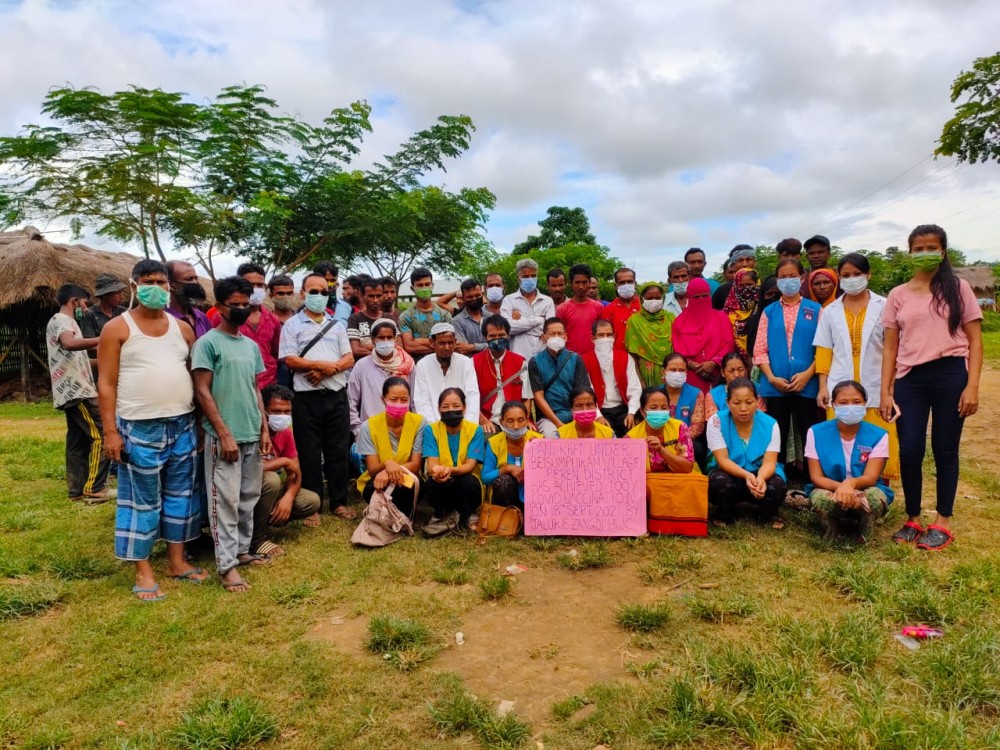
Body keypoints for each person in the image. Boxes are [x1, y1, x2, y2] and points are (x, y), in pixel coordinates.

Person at [100, 259, 207, 600]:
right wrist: (110, 432)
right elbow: (106, 383)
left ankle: (177, 560)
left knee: (180, 496)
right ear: (134, 285)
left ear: (169, 287)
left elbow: (195, 376)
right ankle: (143, 569)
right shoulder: (117, 328)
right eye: (149, 281)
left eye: (162, 282)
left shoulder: (183, 330)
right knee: (140, 501)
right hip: (138, 426)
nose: (156, 288)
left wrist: (202, 425)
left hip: (183, 423)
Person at [880, 224, 983, 551]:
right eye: (919, 248)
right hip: (910, 379)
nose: (925, 253)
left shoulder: (959, 288)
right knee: (910, 450)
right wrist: (886, 391)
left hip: (950, 374)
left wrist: (973, 386)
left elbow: (976, 341)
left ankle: (943, 521)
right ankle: (912, 518)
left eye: (931, 247)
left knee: (945, 447)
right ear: (910, 253)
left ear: (943, 251)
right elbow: (890, 348)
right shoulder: (898, 295)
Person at [192, 276, 272, 593]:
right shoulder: (207, 343)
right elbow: (201, 390)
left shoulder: (251, 346)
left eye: (245, 304)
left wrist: (264, 427)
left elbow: (255, 390)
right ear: (219, 307)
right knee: (223, 501)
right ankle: (226, 566)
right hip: (223, 436)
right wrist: (222, 433)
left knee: (247, 497)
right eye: (234, 304)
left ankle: (241, 550)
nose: (240, 309)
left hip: (251, 432)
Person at [813, 253, 898, 481]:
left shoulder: (885, 306)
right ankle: (840, 484)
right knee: (840, 439)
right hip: (839, 385)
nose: (852, 279)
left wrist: (890, 388)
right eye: (846, 275)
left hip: (876, 383)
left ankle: (879, 486)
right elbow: (824, 350)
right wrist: (823, 387)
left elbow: (894, 348)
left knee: (879, 438)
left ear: (868, 274)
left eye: (857, 274)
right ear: (839, 278)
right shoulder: (830, 311)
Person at [279, 272, 356, 520]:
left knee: (338, 450)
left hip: (336, 395)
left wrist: (326, 369)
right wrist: (324, 366)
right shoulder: (292, 325)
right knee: (309, 451)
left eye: (324, 292)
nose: (320, 296)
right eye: (314, 292)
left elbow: (349, 358)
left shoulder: (337, 325)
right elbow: (289, 359)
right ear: (303, 294)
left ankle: (338, 503)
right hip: (306, 398)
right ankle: (312, 506)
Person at [805, 380, 893, 542]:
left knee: (875, 497)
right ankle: (832, 528)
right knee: (820, 499)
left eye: (857, 402)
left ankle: (864, 527)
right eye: (843, 403)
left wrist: (851, 485)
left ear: (865, 404)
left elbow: (871, 477)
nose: (850, 407)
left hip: (865, 489)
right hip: (830, 490)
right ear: (834, 404)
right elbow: (816, 477)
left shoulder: (879, 435)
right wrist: (842, 489)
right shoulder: (816, 433)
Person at [47, 282, 111, 503]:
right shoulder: (61, 321)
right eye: (85, 303)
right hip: (78, 390)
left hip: (74, 389)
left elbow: (82, 360)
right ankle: (95, 487)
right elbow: (70, 344)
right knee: (102, 434)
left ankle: (75, 490)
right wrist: (105, 339)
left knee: (77, 441)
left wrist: (108, 359)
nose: (86, 308)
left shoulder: (69, 322)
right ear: (75, 301)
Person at [754, 258, 821, 472]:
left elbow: (824, 349)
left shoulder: (816, 309)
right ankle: (777, 476)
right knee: (777, 432)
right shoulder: (769, 312)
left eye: (792, 276)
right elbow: (760, 349)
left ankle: (814, 477)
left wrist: (808, 375)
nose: (788, 280)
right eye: (782, 277)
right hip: (775, 383)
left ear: (801, 278)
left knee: (808, 430)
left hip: (807, 383)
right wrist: (772, 378)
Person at [706, 378, 786, 527]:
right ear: (728, 402)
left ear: (757, 401)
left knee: (777, 486)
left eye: (749, 402)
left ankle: (766, 514)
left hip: (758, 475)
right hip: (730, 474)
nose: (743, 408)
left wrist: (760, 478)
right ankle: (725, 513)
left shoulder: (771, 424)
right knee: (719, 482)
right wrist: (747, 475)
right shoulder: (716, 421)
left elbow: (770, 462)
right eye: (737, 403)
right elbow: (722, 460)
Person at [253, 384, 322, 557]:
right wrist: (281, 461)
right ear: (263, 410)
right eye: (276, 411)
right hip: (247, 491)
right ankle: (256, 540)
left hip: (268, 492)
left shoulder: (285, 431)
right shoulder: (251, 430)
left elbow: (295, 472)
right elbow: (248, 470)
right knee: (271, 479)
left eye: (286, 412)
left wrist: (288, 498)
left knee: (311, 501)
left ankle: (268, 519)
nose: (282, 417)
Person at [627, 387, 701, 534]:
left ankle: (684, 526)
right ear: (642, 411)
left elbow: (687, 467)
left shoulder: (680, 427)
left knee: (693, 483)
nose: (659, 411)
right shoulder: (632, 437)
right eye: (653, 408)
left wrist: (661, 450)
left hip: (679, 477)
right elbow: (629, 477)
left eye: (664, 407)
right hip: (651, 483)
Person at [355, 377, 425, 517]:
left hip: (408, 477)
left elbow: (416, 465)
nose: (399, 404)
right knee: (373, 488)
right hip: (378, 478)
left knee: (408, 487)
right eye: (393, 399)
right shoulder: (369, 426)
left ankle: (394, 513)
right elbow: (373, 469)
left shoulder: (419, 422)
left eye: (404, 399)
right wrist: (387, 464)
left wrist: (390, 471)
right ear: (383, 399)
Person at [422, 387, 486, 532]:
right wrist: (437, 472)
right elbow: (432, 464)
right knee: (432, 484)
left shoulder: (475, 430)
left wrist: (449, 470)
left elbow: (470, 465)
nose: (451, 410)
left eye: (456, 406)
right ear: (439, 409)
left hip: (465, 477)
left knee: (468, 482)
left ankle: (469, 513)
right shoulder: (431, 430)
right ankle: (440, 513)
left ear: (464, 408)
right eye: (445, 406)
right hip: (441, 477)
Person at [215, 262, 282, 389]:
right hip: (235, 384)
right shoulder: (222, 316)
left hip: (268, 383)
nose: (255, 288)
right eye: (251, 285)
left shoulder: (273, 319)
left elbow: (275, 352)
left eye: (260, 285)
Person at [348, 318, 415, 435]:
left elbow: (415, 397)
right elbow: (351, 400)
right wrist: (357, 430)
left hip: (403, 430)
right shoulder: (362, 365)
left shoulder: (407, 364)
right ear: (373, 340)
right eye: (381, 338)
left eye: (389, 338)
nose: (385, 341)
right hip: (370, 431)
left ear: (395, 339)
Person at [529, 317, 590, 438]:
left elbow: (582, 392)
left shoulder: (575, 358)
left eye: (560, 333)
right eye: (552, 334)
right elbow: (538, 397)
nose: (556, 337)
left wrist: (578, 418)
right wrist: (558, 423)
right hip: (548, 418)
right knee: (552, 438)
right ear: (544, 337)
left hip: (575, 414)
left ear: (566, 336)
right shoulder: (535, 362)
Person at [671, 278, 734, 393]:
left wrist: (713, 363)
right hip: (690, 375)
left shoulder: (721, 317)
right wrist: (692, 364)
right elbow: (677, 348)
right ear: (689, 298)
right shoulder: (679, 322)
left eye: (705, 296)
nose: (701, 300)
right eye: (696, 297)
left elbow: (728, 343)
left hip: (718, 374)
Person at [582, 319, 641, 437]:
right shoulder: (584, 361)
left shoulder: (625, 357)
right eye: (601, 335)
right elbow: (587, 391)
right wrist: (598, 416)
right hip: (599, 410)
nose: (605, 339)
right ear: (593, 338)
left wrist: (631, 412)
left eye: (609, 335)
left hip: (622, 408)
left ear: (614, 337)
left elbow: (635, 389)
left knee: (632, 437)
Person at [413, 323, 480, 425]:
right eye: (442, 343)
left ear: (455, 342)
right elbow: (422, 401)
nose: (447, 348)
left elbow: (472, 397)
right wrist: (434, 428)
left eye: (450, 343)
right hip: (432, 427)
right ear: (432, 343)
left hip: (463, 426)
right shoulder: (423, 365)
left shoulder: (466, 362)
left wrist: (467, 427)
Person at [472, 315, 529, 434]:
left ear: (508, 335)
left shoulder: (520, 362)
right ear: (485, 337)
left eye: (501, 335)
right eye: (492, 336)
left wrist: (525, 421)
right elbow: (470, 398)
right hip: (489, 419)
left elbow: (526, 398)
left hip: (515, 420)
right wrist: (483, 420)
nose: (497, 339)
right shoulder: (474, 362)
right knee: (484, 440)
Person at [482, 400, 541, 507]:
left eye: (521, 420)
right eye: (510, 421)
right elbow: (485, 477)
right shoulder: (494, 443)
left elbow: (549, 475)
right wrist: (506, 468)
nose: (516, 426)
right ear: (502, 421)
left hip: (534, 500)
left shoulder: (538, 440)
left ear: (527, 420)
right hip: (506, 501)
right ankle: (509, 520)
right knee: (503, 481)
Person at [502, 258, 556, 360]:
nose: (530, 279)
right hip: (519, 357)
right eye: (525, 276)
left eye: (533, 276)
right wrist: (540, 320)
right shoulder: (509, 300)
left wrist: (521, 322)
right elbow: (508, 328)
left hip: (544, 357)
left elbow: (550, 330)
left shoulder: (547, 301)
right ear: (518, 277)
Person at [625, 282, 674, 388]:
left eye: (657, 298)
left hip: (670, 369)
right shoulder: (634, 320)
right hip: (645, 371)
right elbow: (633, 353)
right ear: (642, 299)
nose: (654, 301)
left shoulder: (671, 318)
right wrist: (638, 378)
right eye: (650, 298)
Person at [399, 267, 452, 361]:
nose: (424, 288)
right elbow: (409, 347)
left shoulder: (445, 315)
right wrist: (439, 344)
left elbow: (450, 344)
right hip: (417, 368)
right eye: (420, 285)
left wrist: (417, 341)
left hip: (443, 366)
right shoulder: (406, 317)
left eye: (427, 284)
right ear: (412, 288)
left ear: (432, 285)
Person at [555, 263, 605, 355]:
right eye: (577, 282)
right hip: (570, 359)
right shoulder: (562, 309)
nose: (581, 286)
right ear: (571, 283)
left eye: (584, 282)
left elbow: (602, 334)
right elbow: (558, 336)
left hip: (594, 358)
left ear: (589, 282)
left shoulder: (598, 307)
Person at [705, 352, 766, 418]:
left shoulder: (756, 389)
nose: (736, 374)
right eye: (731, 371)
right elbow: (714, 423)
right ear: (723, 372)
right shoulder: (713, 395)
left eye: (740, 370)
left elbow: (761, 418)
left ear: (746, 370)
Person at [660, 353, 706, 440]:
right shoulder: (655, 393)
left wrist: (677, 440)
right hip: (659, 439)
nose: (677, 374)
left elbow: (697, 426)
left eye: (681, 370)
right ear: (663, 371)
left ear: (686, 372)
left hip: (685, 440)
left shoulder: (696, 394)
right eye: (673, 370)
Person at [165, 260, 211, 339]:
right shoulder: (162, 318)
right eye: (189, 279)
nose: (195, 283)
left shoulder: (201, 317)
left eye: (196, 278)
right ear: (171, 285)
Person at [723, 269, 760, 361]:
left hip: (759, 357)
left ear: (756, 284)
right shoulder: (729, 309)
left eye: (749, 285)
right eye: (741, 285)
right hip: (734, 359)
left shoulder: (762, 306)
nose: (746, 288)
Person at [600, 267, 640, 351]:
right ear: (616, 285)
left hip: (642, 356)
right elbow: (605, 337)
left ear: (635, 284)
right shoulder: (609, 309)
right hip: (618, 356)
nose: (626, 285)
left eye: (629, 282)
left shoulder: (643, 306)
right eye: (622, 282)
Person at [347, 276, 385, 360]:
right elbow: (355, 350)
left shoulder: (389, 318)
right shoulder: (354, 319)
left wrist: (365, 346)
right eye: (371, 296)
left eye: (378, 296)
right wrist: (384, 349)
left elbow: (398, 346)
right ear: (362, 296)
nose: (375, 300)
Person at [80, 273, 127, 340]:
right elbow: (88, 344)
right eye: (117, 293)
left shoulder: (123, 312)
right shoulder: (89, 314)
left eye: (121, 292)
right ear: (105, 295)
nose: (121, 297)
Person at [745, 275, 779, 360]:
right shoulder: (753, 322)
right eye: (769, 294)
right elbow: (751, 353)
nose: (774, 297)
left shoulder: (794, 319)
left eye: (778, 294)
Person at [712, 245, 756, 309]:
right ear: (733, 265)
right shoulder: (723, 291)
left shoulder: (763, 288)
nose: (745, 264)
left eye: (749, 259)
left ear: (755, 262)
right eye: (740, 260)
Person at [452, 278, 488, 355]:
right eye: (470, 297)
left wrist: (473, 347)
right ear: (463, 298)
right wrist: (487, 346)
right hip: (469, 365)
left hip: (491, 364)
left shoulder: (491, 317)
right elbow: (462, 349)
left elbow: (498, 344)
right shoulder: (457, 321)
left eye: (477, 295)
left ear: (482, 294)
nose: (474, 299)